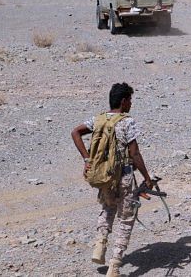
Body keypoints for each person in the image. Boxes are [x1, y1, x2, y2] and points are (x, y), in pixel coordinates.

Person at [71, 83, 154, 277]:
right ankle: (114, 265)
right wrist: (147, 178)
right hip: (124, 176)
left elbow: (75, 132)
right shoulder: (127, 121)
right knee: (126, 219)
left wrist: (87, 159)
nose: (131, 104)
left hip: (105, 177)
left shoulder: (98, 119)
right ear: (124, 101)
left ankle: (99, 247)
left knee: (107, 208)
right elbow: (134, 154)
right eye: (130, 100)